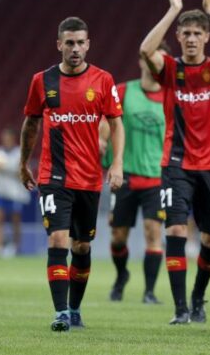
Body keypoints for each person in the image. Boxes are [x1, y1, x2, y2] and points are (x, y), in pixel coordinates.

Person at [139, 0, 210, 325]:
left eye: (198, 33)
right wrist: (174, 10)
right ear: (179, 38)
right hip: (177, 164)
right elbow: (145, 51)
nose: (192, 38)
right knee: (176, 231)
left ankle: (198, 297)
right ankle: (180, 308)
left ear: (206, 37)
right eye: (187, 34)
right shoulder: (170, 70)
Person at [20, 16, 125, 332]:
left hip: (90, 179)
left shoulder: (103, 80)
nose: (75, 48)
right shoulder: (42, 81)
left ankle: (75, 308)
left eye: (80, 42)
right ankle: (61, 312)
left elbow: (116, 124)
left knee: (81, 247)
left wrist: (117, 163)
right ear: (59, 45)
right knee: (58, 238)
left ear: (88, 44)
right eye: (69, 43)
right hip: (53, 176)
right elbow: (31, 124)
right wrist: (23, 161)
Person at [104, 43, 170, 304]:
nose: (156, 66)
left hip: (157, 178)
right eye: (152, 60)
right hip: (125, 176)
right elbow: (106, 122)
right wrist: (102, 141)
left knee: (153, 234)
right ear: (142, 61)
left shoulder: (170, 96)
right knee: (118, 237)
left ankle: (149, 292)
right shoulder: (122, 91)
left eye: (161, 62)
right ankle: (121, 276)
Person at [0, 128, 30, 257]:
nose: (5, 140)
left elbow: (23, 173)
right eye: (4, 137)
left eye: (8, 137)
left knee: (15, 222)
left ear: (13, 138)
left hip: (15, 194)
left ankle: (17, 248)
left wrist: (7, 168)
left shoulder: (19, 153)